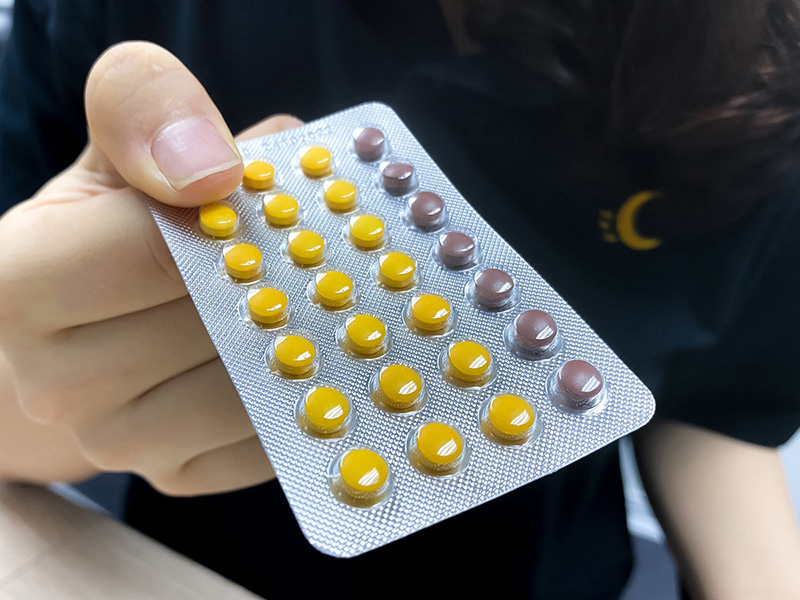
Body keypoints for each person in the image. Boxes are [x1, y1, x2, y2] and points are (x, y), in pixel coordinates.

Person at [1, 1, 799, 598]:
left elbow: (719, 411)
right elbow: (20, 402)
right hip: (200, 571)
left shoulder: (762, 76)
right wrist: (56, 376)